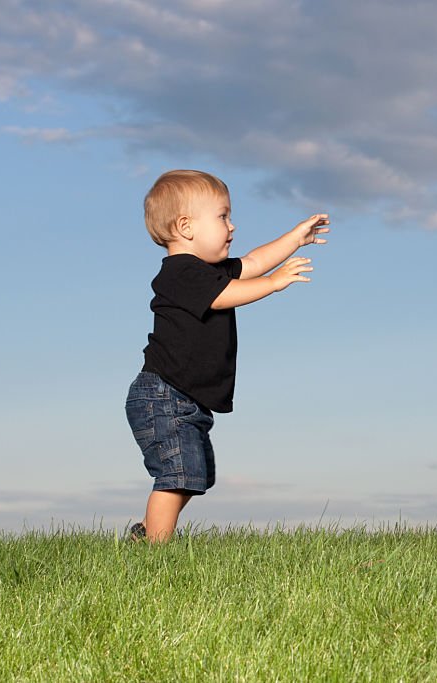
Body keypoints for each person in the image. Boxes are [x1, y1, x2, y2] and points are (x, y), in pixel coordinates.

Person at [125, 170, 330, 542]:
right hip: (163, 396)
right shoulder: (179, 273)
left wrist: (295, 239)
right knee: (177, 474)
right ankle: (154, 548)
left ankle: (146, 534)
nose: (232, 226)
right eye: (222, 217)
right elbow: (225, 295)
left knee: (194, 474)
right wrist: (273, 283)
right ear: (185, 226)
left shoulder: (208, 270)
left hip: (182, 398)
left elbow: (252, 262)